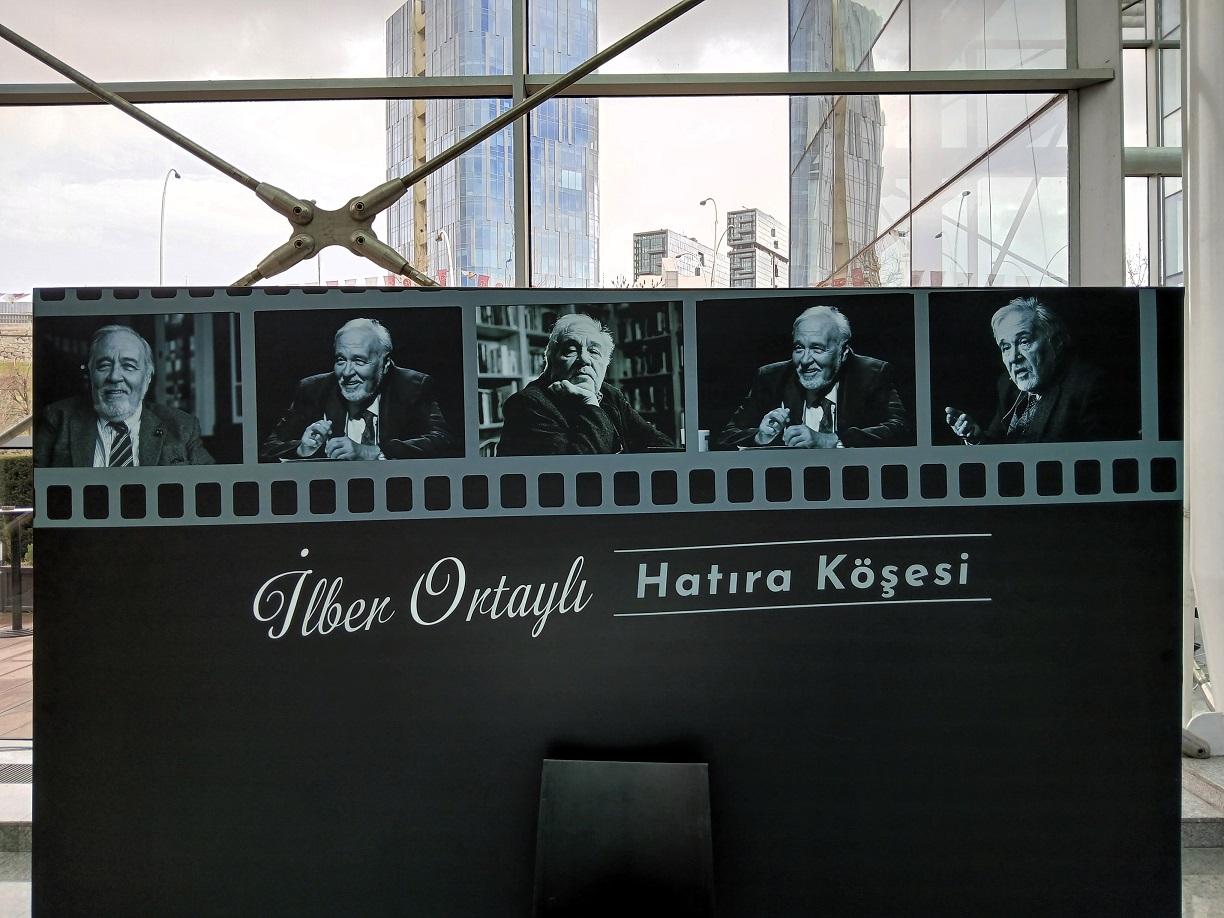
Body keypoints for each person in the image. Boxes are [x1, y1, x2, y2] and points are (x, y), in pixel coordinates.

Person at [712, 305, 913, 449]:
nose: (805, 360)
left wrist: (828, 440)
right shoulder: (771, 378)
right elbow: (726, 437)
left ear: (843, 352)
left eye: (817, 349)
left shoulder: (871, 374)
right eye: (799, 348)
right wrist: (761, 436)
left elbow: (902, 429)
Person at [260, 317, 453, 461]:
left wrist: (370, 452)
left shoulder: (413, 386)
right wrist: (302, 449)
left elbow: (443, 441)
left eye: (359, 361)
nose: (346, 372)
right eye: (340, 360)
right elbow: (268, 448)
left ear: (385, 364)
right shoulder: (313, 390)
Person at [945, 297, 1119, 444]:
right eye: (1006, 347)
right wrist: (977, 438)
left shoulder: (1090, 387)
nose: (1014, 358)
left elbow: (1096, 464)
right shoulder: (1008, 385)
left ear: (1056, 343)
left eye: (1024, 342)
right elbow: (997, 445)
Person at [35, 325, 214, 467]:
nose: (114, 377)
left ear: (147, 377)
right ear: (91, 373)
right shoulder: (58, 419)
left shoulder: (182, 427)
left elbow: (210, 488)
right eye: (104, 365)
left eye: (128, 366)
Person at [496, 313, 675, 455]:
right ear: (550, 360)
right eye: (571, 350)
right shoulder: (526, 404)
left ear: (605, 364)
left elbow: (662, 446)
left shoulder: (610, 395)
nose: (584, 359)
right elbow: (580, 475)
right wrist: (589, 404)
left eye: (594, 351)